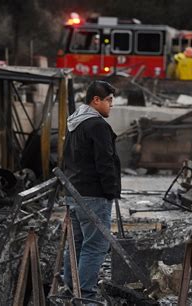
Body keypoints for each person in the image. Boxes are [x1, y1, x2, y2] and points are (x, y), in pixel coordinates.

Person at [63, 80, 121, 300]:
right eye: (108, 100)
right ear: (96, 100)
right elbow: (104, 161)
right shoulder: (96, 125)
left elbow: (67, 158)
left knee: (76, 244)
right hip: (94, 195)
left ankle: (71, 289)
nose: (111, 105)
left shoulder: (75, 123)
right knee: (96, 246)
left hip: (74, 192)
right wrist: (110, 191)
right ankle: (85, 295)